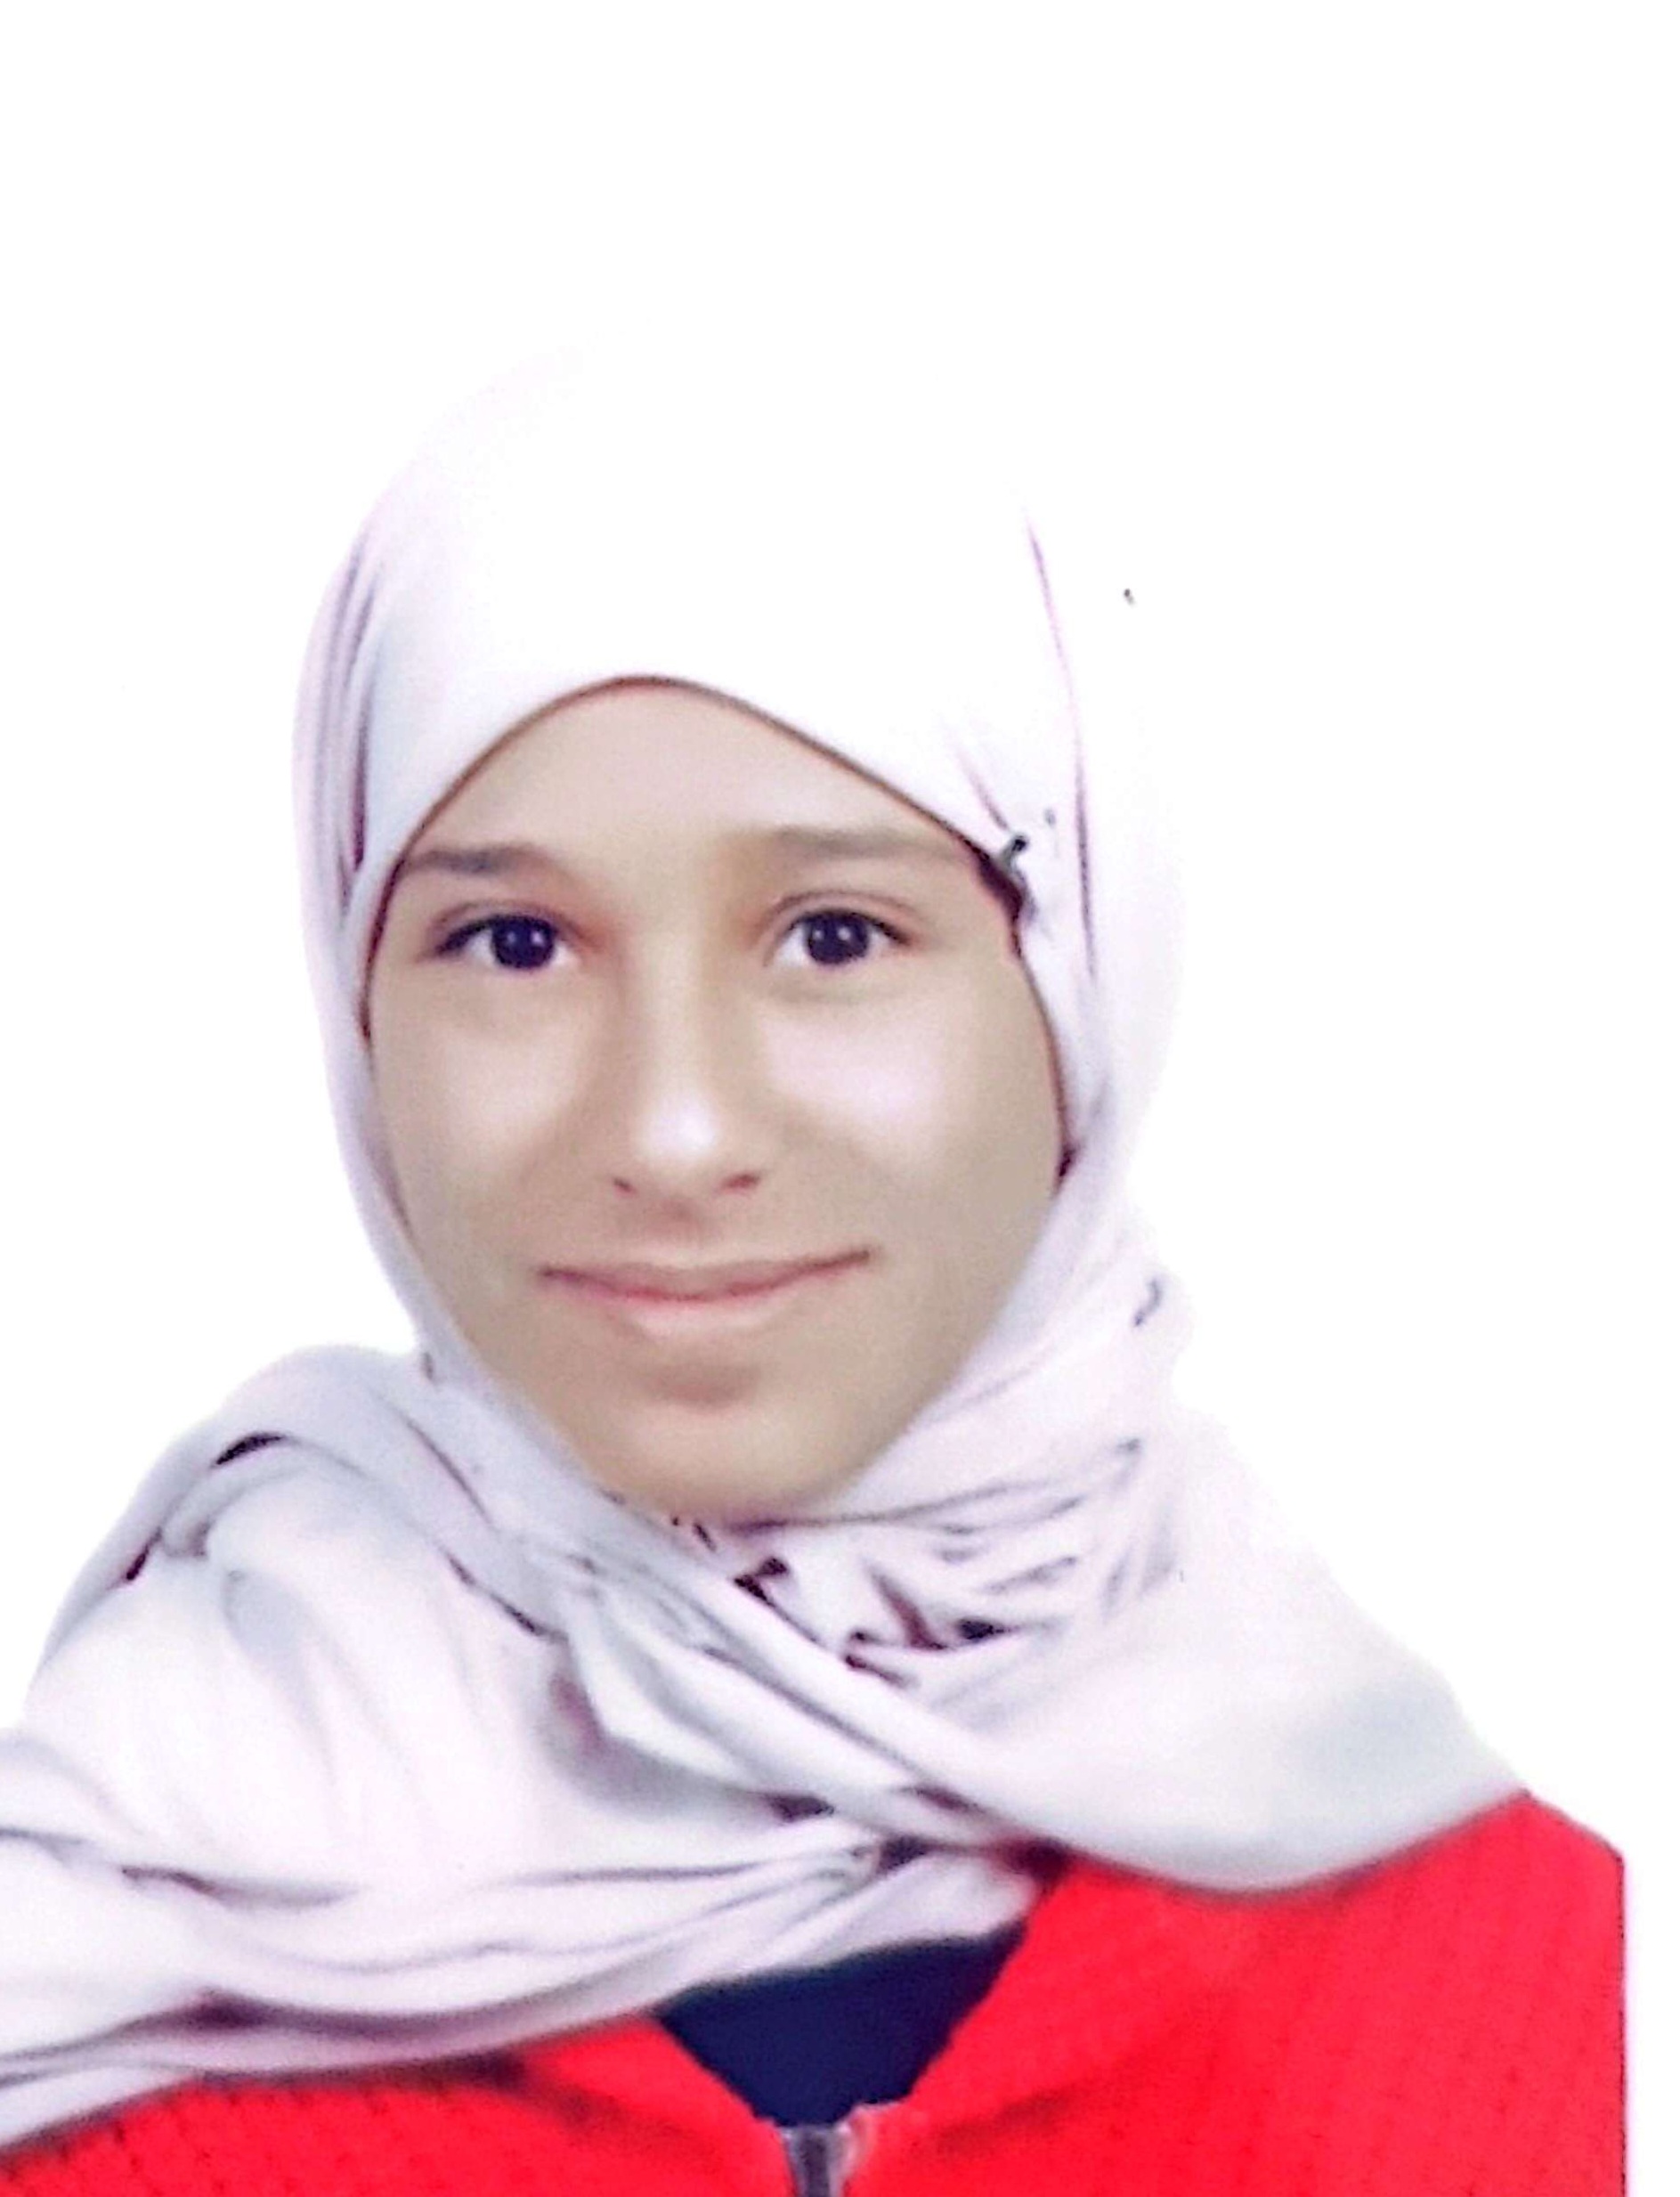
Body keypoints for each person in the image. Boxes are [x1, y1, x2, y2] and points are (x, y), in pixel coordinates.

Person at [0, 342, 1620, 2193]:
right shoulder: (98, 1953)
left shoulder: (1535, 1982)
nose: (675, 1129)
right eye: (514, 942)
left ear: (1074, 982)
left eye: (834, 936)